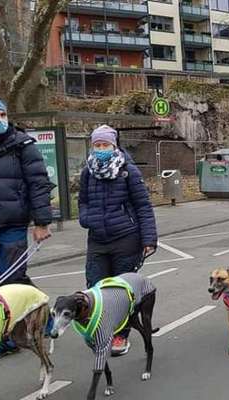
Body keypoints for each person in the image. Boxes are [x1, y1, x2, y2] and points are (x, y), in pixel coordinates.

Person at [0, 96, 54, 362]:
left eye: (2, 114)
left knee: (8, 281)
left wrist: (41, 222)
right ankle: (45, 317)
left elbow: (39, 183)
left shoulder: (21, 145)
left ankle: (4, 339)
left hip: (13, 225)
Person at [78, 124, 157, 357]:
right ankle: (100, 331)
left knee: (120, 291)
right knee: (95, 285)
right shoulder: (87, 172)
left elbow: (143, 206)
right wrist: (86, 217)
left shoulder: (128, 171)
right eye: (97, 145)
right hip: (97, 239)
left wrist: (149, 239)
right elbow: (82, 201)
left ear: (114, 146)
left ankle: (121, 334)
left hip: (126, 238)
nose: (101, 149)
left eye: (105, 145)